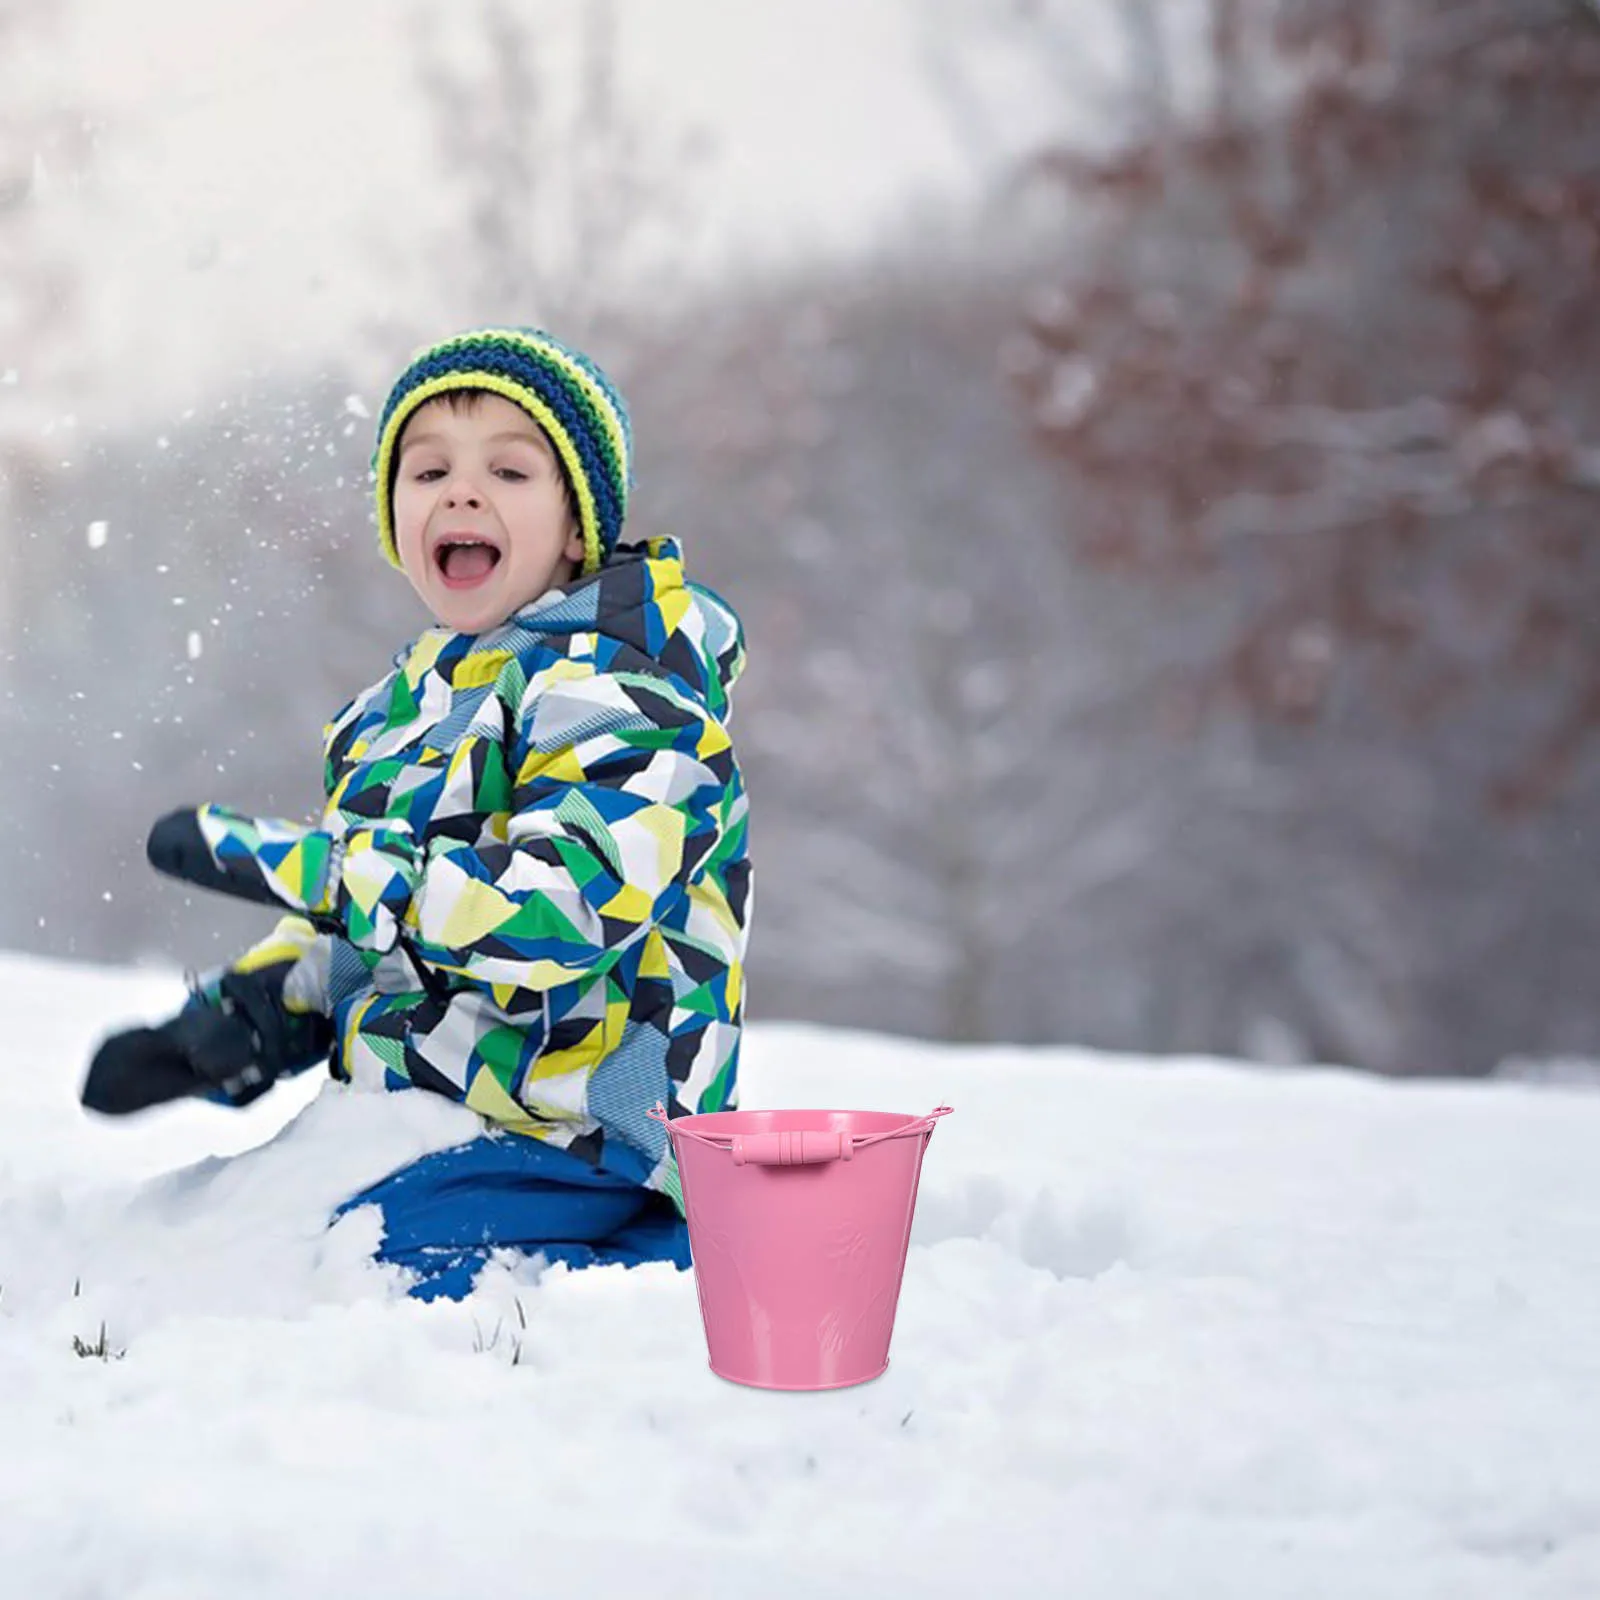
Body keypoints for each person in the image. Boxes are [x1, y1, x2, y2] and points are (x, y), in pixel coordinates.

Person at [81, 327, 752, 1301]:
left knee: (349, 1271)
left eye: (511, 471)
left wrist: (330, 871)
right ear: (396, 522)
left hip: (585, 1140)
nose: (461, 492)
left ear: (578, 529)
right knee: (209, 1247)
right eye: (427, 467)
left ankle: (657, 1277)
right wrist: (254, 1016)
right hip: (419, 1116)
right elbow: (372, 939)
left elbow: (557, 918)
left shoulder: (632, 699)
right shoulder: (391, 719)